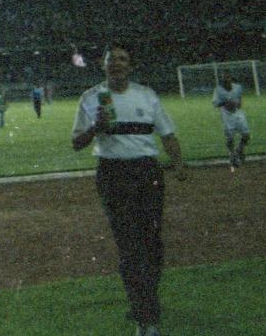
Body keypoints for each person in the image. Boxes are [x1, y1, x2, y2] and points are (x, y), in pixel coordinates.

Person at [72, 44, 186, 336]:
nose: (117, 64)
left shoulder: (147, 95)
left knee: (152, 244)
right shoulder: (91, 98)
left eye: (123, 59)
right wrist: (96, 127)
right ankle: (146, 318)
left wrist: (178, 163)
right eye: (111, 59)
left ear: (131, 66)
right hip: (113, 173)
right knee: (129, 246)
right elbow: (76, 143)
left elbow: (167, 133)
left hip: (147, 172)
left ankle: (143, 303)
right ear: (103, 65)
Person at [212, 75, 250, 168]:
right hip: (226, 115)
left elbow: (239, 98)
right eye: (225, 82)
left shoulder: (238, 87)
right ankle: (232, 156)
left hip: (238, 113)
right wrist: (226, 102)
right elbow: (215, 103)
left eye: (228, 81)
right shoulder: (218, 90)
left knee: (246, 134)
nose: (227, 83)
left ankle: (239, 149)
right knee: (230, 138)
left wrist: (238, 103)